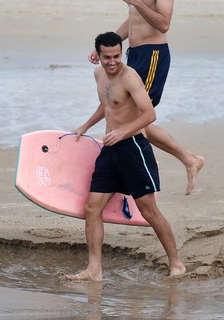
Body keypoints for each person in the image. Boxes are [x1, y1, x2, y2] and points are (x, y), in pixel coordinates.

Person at [88, 0, 204, 195]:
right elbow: (134, 21)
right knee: (132, 118)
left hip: (153, 55)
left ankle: (188, 160)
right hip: (134, 53)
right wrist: (108, 45)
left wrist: (134, 0)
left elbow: (163, 23)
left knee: (140, 119)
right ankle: (186, 160)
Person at [66, 32, 186, 281]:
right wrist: (85, 126)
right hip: (110, 150)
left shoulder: (130, 77)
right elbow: (108, 104)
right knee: (92, 208)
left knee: (149, 211)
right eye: (107, 57)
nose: (112, 62)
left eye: (117, 56)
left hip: (133, 148)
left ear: (122, 53)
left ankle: (176, 264)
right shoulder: (98, 74)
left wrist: (121, 132)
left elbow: (149, 114)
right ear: (97, 55)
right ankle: (94, 270)